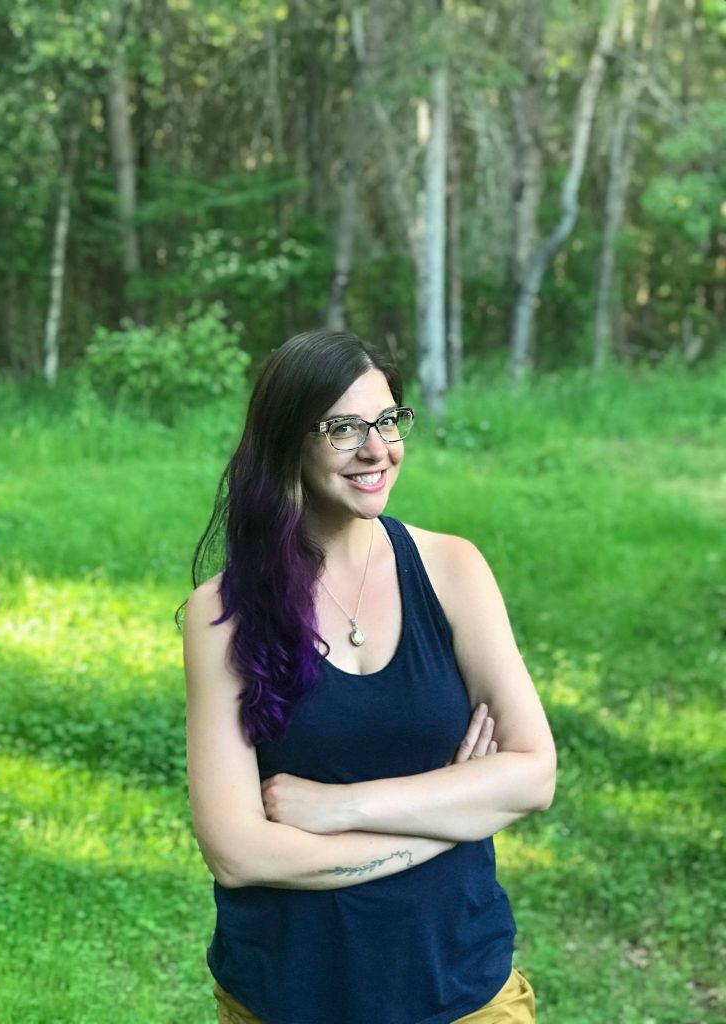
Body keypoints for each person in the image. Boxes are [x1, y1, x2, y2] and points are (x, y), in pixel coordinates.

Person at [183, 330, 557, 1024]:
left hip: (461, 988)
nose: (378, 449)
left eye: (388, 420)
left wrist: (339, 808)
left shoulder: (453, 570)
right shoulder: (222, 614)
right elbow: (237, 852)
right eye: (344, 428)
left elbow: (533, 774)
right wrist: (451, 819)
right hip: (288, 995)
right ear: (287, 440)